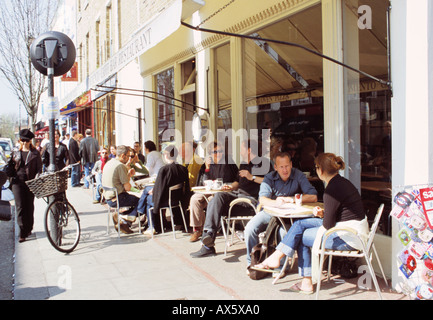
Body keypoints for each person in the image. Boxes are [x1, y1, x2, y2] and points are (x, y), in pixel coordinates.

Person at [254, 153, 368, 294]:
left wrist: (324, 216)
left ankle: (305, 280)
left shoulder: (331, 190)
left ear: (320, 170)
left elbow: (327, 225)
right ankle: (277, 257)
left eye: (316, 167)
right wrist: (323, 214)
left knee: (301, 236)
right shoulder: (341, 182)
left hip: (349, 238)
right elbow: (337, 216)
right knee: (300, 225)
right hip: (352, 231)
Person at [190, 139, 273, 257]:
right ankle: (207, 237)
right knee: (217, 196)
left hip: (251, 201)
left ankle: (207, 243)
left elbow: (272, 181)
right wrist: (229, 187)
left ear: (249, 150)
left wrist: (252, 177)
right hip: (238, 197)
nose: (240, 152)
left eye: (242, 149)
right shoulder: (244, 163)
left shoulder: (264, 162)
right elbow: (238, 182)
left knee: (215, 202)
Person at [244, 152, 318, 268]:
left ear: (291, 164)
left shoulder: (298, 175)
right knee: (249, 229)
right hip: (270, 212)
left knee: (283, 232)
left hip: (291, 215)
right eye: (281, 167)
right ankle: (252, 262)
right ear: (275, 167)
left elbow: (313, 196)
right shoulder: (269, 178)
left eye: (287, 166)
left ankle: (281, 267)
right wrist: (276, 203)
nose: (285, 170)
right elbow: (262, 199)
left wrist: (291, 199)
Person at [188, 142, 239, 242]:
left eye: (220, 151)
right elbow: (203, 182)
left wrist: (228, 185)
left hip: (223, 192)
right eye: (215, 152)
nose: (218, 154)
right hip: (209, 190)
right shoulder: (207, 163)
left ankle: (210, 231)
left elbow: (235, 179)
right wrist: (207, 168)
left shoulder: (228, 162)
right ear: (210, 153)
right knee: (194, 199)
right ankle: (197, 229)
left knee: (212, 200)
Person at [138, 146, 191, 234]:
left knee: (148, 199)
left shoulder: (164, 170)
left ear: (166, 155)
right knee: (149, 192)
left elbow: (159, 187)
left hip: (165, 201)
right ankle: (177, 222)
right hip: (177, 200)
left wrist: (154, 191)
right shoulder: (183, 169)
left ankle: (152, 227)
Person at [9, 129, 42, 243]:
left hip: (30, 182)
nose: (23, 143)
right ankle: (22, 232)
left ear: (30, 141)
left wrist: (36, 179)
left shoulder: (35, 153)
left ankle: (28, 228)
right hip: (17, 182)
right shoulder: (15, 152)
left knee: (29, 206)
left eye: (26, 141)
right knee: (20, 206)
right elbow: (10, 166)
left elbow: (39, 169)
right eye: (22, 140)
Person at [101, 145, 139, 234]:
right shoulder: (120, 166)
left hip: (108, 197)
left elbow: (117, 181)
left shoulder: (109, 163)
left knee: (136, 201)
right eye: (128, 156)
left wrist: (128, 175)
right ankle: (125, 219)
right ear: (123, 155)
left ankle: (125, 220)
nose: (129, 158)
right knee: (142, 201)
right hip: (118, 198)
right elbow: (127, 188)